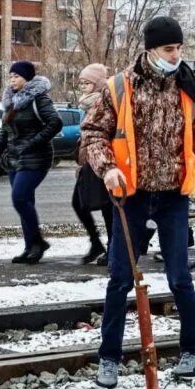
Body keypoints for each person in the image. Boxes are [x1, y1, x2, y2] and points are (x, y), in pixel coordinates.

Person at [81, 16, 195, 389]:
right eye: (168, 49)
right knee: (120, 279)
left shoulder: (192, 88)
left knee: (180, 278)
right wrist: (107, 168)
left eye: (178, 49)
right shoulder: (119, 87)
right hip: (133, 196)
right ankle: (108, 357)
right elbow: (93, 133)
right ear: (150, 50)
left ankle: (194, 350)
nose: (175, 56)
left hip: (174, 197)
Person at [0, 61, 63, 264]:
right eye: (10, 77)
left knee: (19, 197)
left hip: (36, 157)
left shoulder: (39, 98)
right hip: (14, 159)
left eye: (16, 76)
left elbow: (55, 123)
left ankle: (37, 242)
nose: (12, 80)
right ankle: (30, 246)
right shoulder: (11, 101)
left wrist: (32, 143)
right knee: (25, 201)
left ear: (27, 78)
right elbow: (5, 132)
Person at [74, 63, 112, 266]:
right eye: (81, 83)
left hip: (101, 161)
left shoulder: (103, 101)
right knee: (79, 203)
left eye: (87, 82)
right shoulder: (87, 104)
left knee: (107, 207)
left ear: (97, 83)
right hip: (87, 162)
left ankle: (113, 247)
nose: (83, 86)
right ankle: (98, 243)